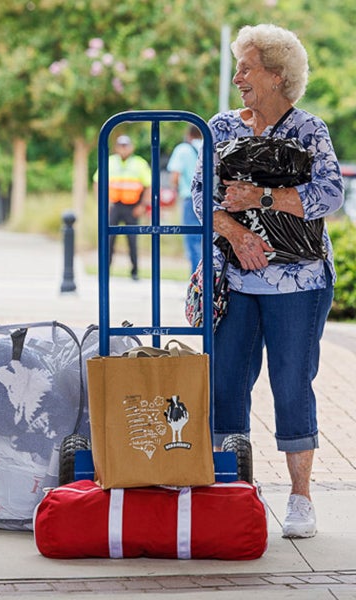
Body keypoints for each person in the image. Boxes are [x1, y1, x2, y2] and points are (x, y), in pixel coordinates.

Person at [192, 24, 344, 538]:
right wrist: (235, 233)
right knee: (227, 384)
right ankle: (230, 488)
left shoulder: (309, 130)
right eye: (238, 67)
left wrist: (257, 199)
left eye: (247, 68)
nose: (238, 77)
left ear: (278, 76)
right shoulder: (220, 128)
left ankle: (300, 499)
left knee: (291, 384)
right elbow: (200, 199)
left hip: (299, 285)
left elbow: (329, 196)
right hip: (234, 282)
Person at [93, 135, 151, 280]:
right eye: (121, 145)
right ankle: (106, 270)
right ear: (116, 147)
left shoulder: (139, 163)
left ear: (131, 147)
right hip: (115, 206)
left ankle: (135, 271)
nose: (123, 149)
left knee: (132, 239)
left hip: (133, 206)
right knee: (109, 238)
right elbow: (97, 182)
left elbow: (148, 186)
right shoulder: (110, 162)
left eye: (126, 145)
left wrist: (143, 206)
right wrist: (102, 204)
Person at [167, 125, 203, 275]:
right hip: (211, 199)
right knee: (207, 240)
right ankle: (211, 281)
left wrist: (174, 191)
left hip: (190, 199)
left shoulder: (182, 149)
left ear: (188, 135)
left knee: (192, 240)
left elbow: (175, 176)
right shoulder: (209, 146)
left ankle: (197, 281)